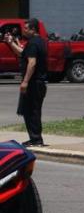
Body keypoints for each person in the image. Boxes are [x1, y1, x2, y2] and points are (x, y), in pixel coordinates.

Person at [4, 19, 48, 147]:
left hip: (34, 83)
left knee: (32, 111)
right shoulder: (37, 42)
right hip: (37, 83)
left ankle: (36, 140)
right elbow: (22, 54)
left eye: (26, 28)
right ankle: (34, 138)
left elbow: (32, 63)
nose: (24, 30)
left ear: (33, 29)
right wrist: (11, 43)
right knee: (29, 111)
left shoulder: (34, 43)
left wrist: (25, 82)